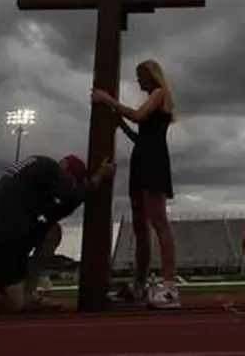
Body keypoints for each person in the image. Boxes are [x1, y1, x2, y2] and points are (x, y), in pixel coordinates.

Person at [0, 154, 116, 315]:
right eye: (71, 183)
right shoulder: (47, 168)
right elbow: (69, 197)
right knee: (12, 305)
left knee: (53, 231)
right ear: (67, 173)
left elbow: (57, 211)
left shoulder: (36, 175)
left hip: (0, 235)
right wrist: (97, 179)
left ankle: (27, 293)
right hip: (0, 239)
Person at [92, 58, 181, 309]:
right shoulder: (152, 97)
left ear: (151, 75)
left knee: (159, 223)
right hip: (142, 161)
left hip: (153, 163)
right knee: (141, 228)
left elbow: (139, 115)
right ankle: (139, 285)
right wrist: (121, 126)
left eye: (140, 75)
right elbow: (142, 136)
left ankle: (170, 287)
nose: (138, 80)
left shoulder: (159, 93)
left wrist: (108, 100)